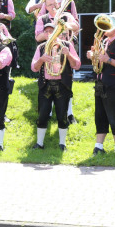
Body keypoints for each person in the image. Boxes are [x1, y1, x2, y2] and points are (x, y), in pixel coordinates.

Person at [30, 22, 81, 150]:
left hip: (62, 85)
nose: (49, 34)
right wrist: (41, 59)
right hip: (45, 85)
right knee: (42, 115)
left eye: (51, 31)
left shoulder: (67, 45)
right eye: (46, 31)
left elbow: (77, 65)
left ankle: (62, 144)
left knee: (62, 115)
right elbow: (34, 68)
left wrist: (68, 54)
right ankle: (39, 143)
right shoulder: (41, 47)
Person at [86, 19, 115, 157]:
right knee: (100, 115)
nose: (104, 29)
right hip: (100, 83)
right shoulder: (105, 42)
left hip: (114, 84)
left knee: (114, 115)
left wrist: (109, 60)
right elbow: (100, 63)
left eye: (108, 26)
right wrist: (93, 56)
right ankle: (98, 147)